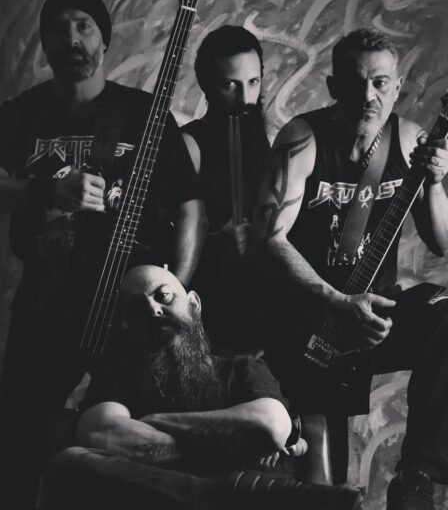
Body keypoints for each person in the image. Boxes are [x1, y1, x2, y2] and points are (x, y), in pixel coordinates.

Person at [0, 0, 204, 508]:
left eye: (84, 26)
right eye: (58, 29)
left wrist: (174, 292)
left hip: (128, 309)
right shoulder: (19, 115)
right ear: (44, 43)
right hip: (43, 307)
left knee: (130, 442)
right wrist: (45, 190)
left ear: (104, 38)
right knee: (22, 444)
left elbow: (188, 205)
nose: (72, 39)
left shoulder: (143, 113)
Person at [252, 27, 448, 510]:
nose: (368, 96)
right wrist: (338, 301)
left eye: (380, 83)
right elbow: (268, 237)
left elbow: (441, 243)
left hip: (374, 316)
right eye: (356, 83)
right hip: (309, 320)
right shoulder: (303, 138)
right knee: (324, 480)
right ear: (333, 86)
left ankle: (419, 474)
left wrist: (435, 183)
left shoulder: (411, 140)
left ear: (397, 87)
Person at [41, 265, 363, 510]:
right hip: (193, 499)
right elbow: (101, 433)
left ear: (194, 305)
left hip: (244, 498)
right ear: (126, 325)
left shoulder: (242, 368)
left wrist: (151, 421)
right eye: (137, 307)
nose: (154, 310)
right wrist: (233, 443)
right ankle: (228, 495)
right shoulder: (117, 377)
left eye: (164, 296)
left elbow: (271, 425)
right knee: (71, 462)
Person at [182, 25, 271, 352]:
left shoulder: (267, 141)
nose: (245, 98)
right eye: (230, 85)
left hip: (263, 303)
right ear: (206, 85)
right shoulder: (190, 144)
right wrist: (215, 240)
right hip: (208, 305)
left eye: (253, 82)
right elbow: (160, 236)